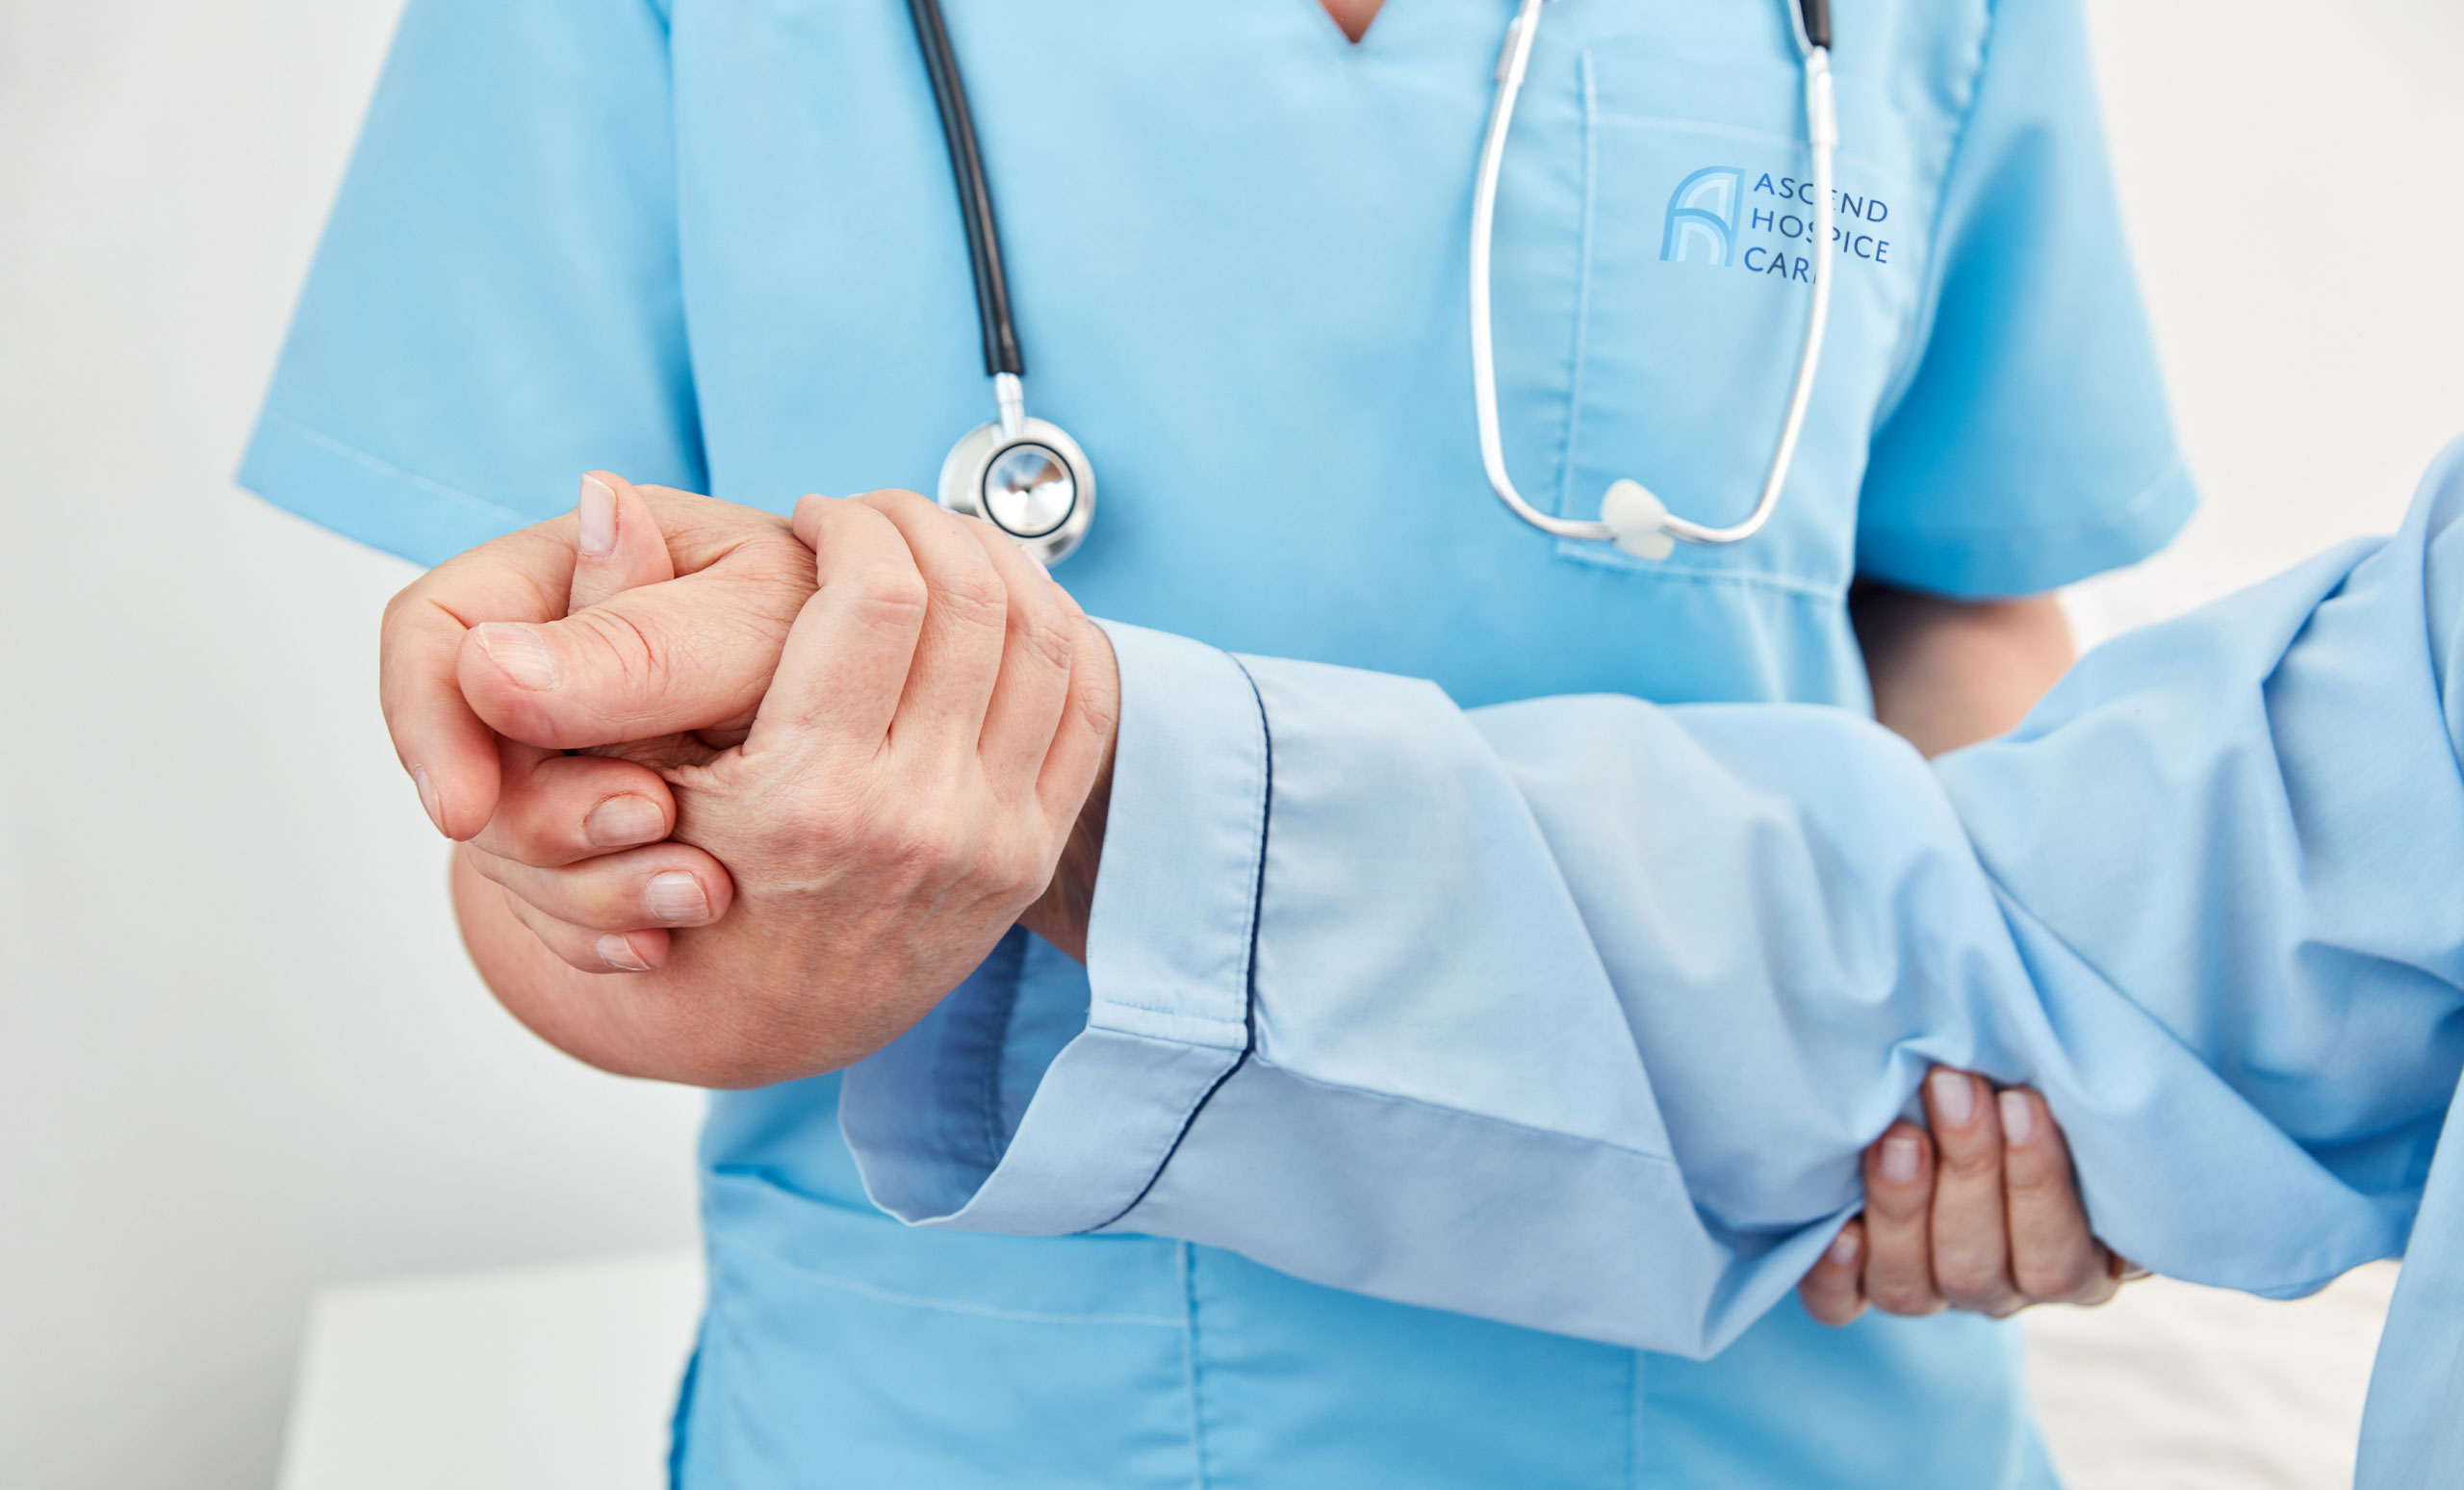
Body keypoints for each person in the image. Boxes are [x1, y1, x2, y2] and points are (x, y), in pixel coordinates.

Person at [244, 0, 2189, 1480]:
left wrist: (2014, 1061)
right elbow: (558, 780)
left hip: (1773, 1365)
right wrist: (650, 911)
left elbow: (1947, 594)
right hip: (993, 1399)